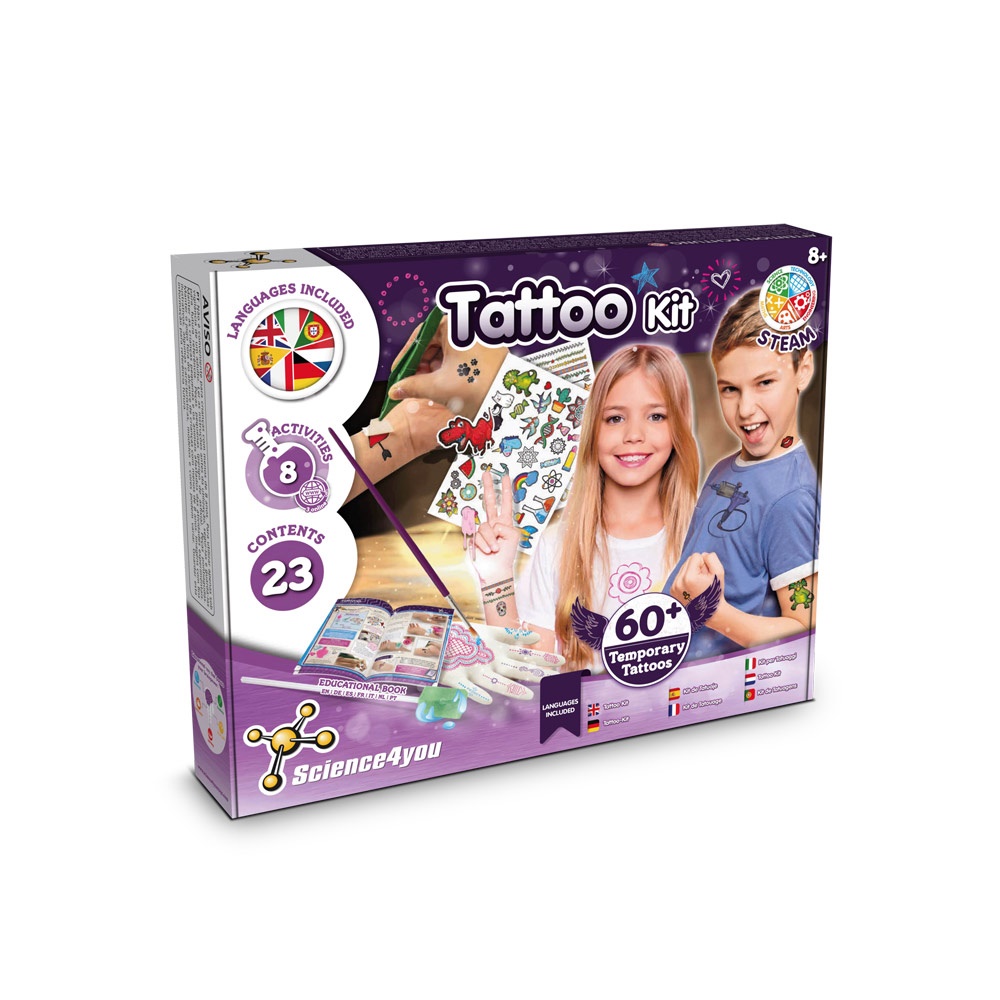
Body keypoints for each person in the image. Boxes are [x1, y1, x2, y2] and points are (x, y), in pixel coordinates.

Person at [473, 344, 700, 671]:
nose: (633, 435)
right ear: (594, 429)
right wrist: (496, 580)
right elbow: (526, 670)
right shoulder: (557, 545)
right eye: (615, 418)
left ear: (678, 425)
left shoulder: (704, 538)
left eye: (656, 416)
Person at [666, 289, 819, 659]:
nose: (746, 409)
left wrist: (711, 611)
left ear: (803, 370)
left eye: (764, 383)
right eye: (730, 389)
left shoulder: (793, 497)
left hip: (722, 679)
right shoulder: (723, 469)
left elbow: (804, 629)